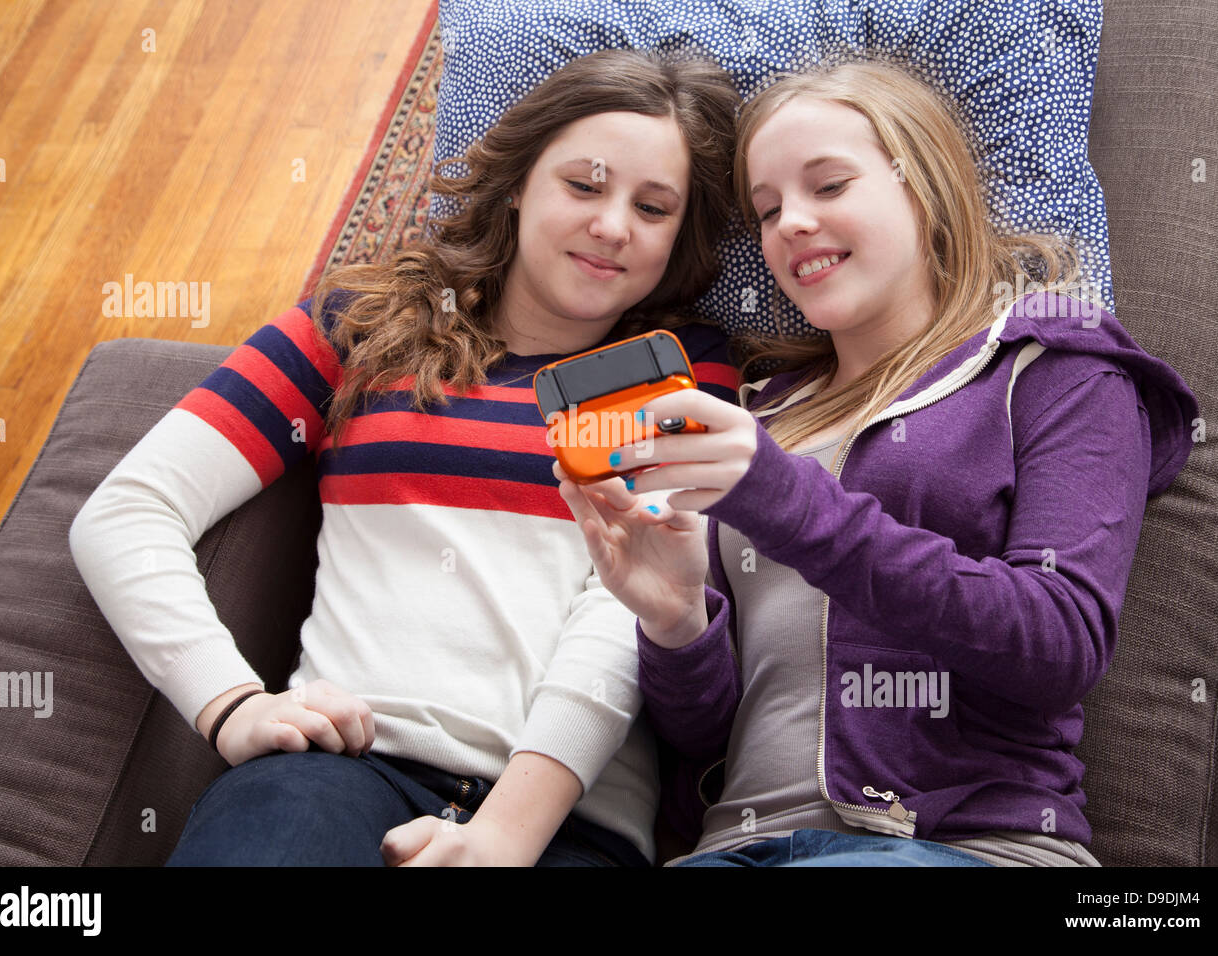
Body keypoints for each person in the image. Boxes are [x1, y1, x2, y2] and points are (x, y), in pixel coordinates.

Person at [68, 48, 743, 867]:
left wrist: (503, 836)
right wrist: (230, 704)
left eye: (653, 207)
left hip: (566, 825)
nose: (612, 226)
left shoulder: (679, 367)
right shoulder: (362, 322)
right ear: (520, 181)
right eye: (584, 185)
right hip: (337, 776)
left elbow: (629, 604)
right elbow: (127, 509)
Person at [554, 54, 1199, 867]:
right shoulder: (760, 416)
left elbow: (1060, 643)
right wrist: (677, 621)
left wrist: (787, 501)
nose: (788, 223)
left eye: (828, 187)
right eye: (767, 208)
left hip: (961, 848)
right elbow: (715, 740)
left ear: (923, 185)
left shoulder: (1053, 368)